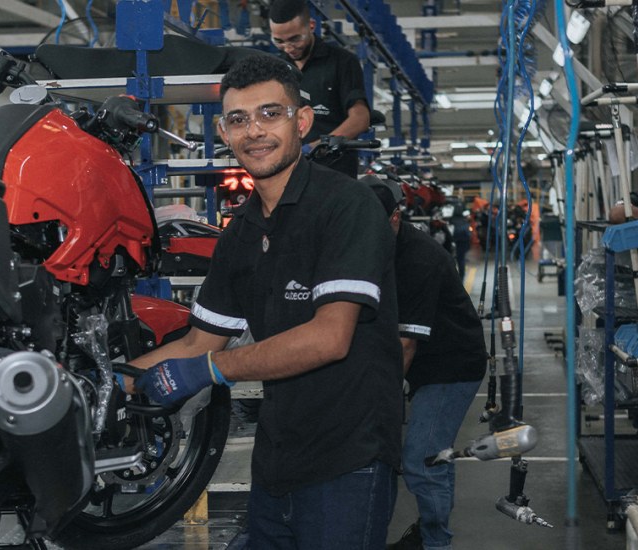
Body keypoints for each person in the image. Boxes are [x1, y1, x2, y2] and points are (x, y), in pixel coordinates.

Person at [132, 55, 404, 549]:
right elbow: (197, 342)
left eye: (269, 114)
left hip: (349, 460)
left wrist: (214, 370)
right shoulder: (242, 231)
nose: (254, 130)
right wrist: (112, 381)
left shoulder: (346, 206)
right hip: (277, 462)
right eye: (238, 119)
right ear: (223, 131)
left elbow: (330, 338)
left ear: (301, 120)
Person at [359, 176, 487, 550]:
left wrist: (376, 400)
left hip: (450, 367)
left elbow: (406, 345)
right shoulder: (370, 245)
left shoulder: (420, 259)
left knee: (422, 458)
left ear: (395, 218)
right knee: (427, 456)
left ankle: (435, 542)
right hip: (421, 362)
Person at [269, 0, 370, 178]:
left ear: (311, 26)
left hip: (335, 170)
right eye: (279, 41)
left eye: (295, 39)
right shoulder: (275, 69)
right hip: (288, 172)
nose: (288, 47)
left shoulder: (343, 62)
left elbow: (360, 118)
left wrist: (318, 146)